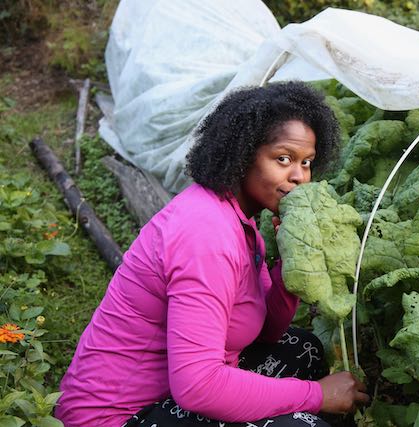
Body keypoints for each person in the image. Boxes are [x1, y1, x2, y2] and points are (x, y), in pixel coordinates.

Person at [56, 81, 370, 427]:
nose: (299, 176)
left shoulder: (240, 223)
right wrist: (316, 395)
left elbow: (264, 331)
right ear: (242, 152)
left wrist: (291, 260)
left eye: (307, 162)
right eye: (283, 159)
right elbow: (198, 386)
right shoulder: (206, 232)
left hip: (173, 393)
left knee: (304, 350)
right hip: (119, 416)